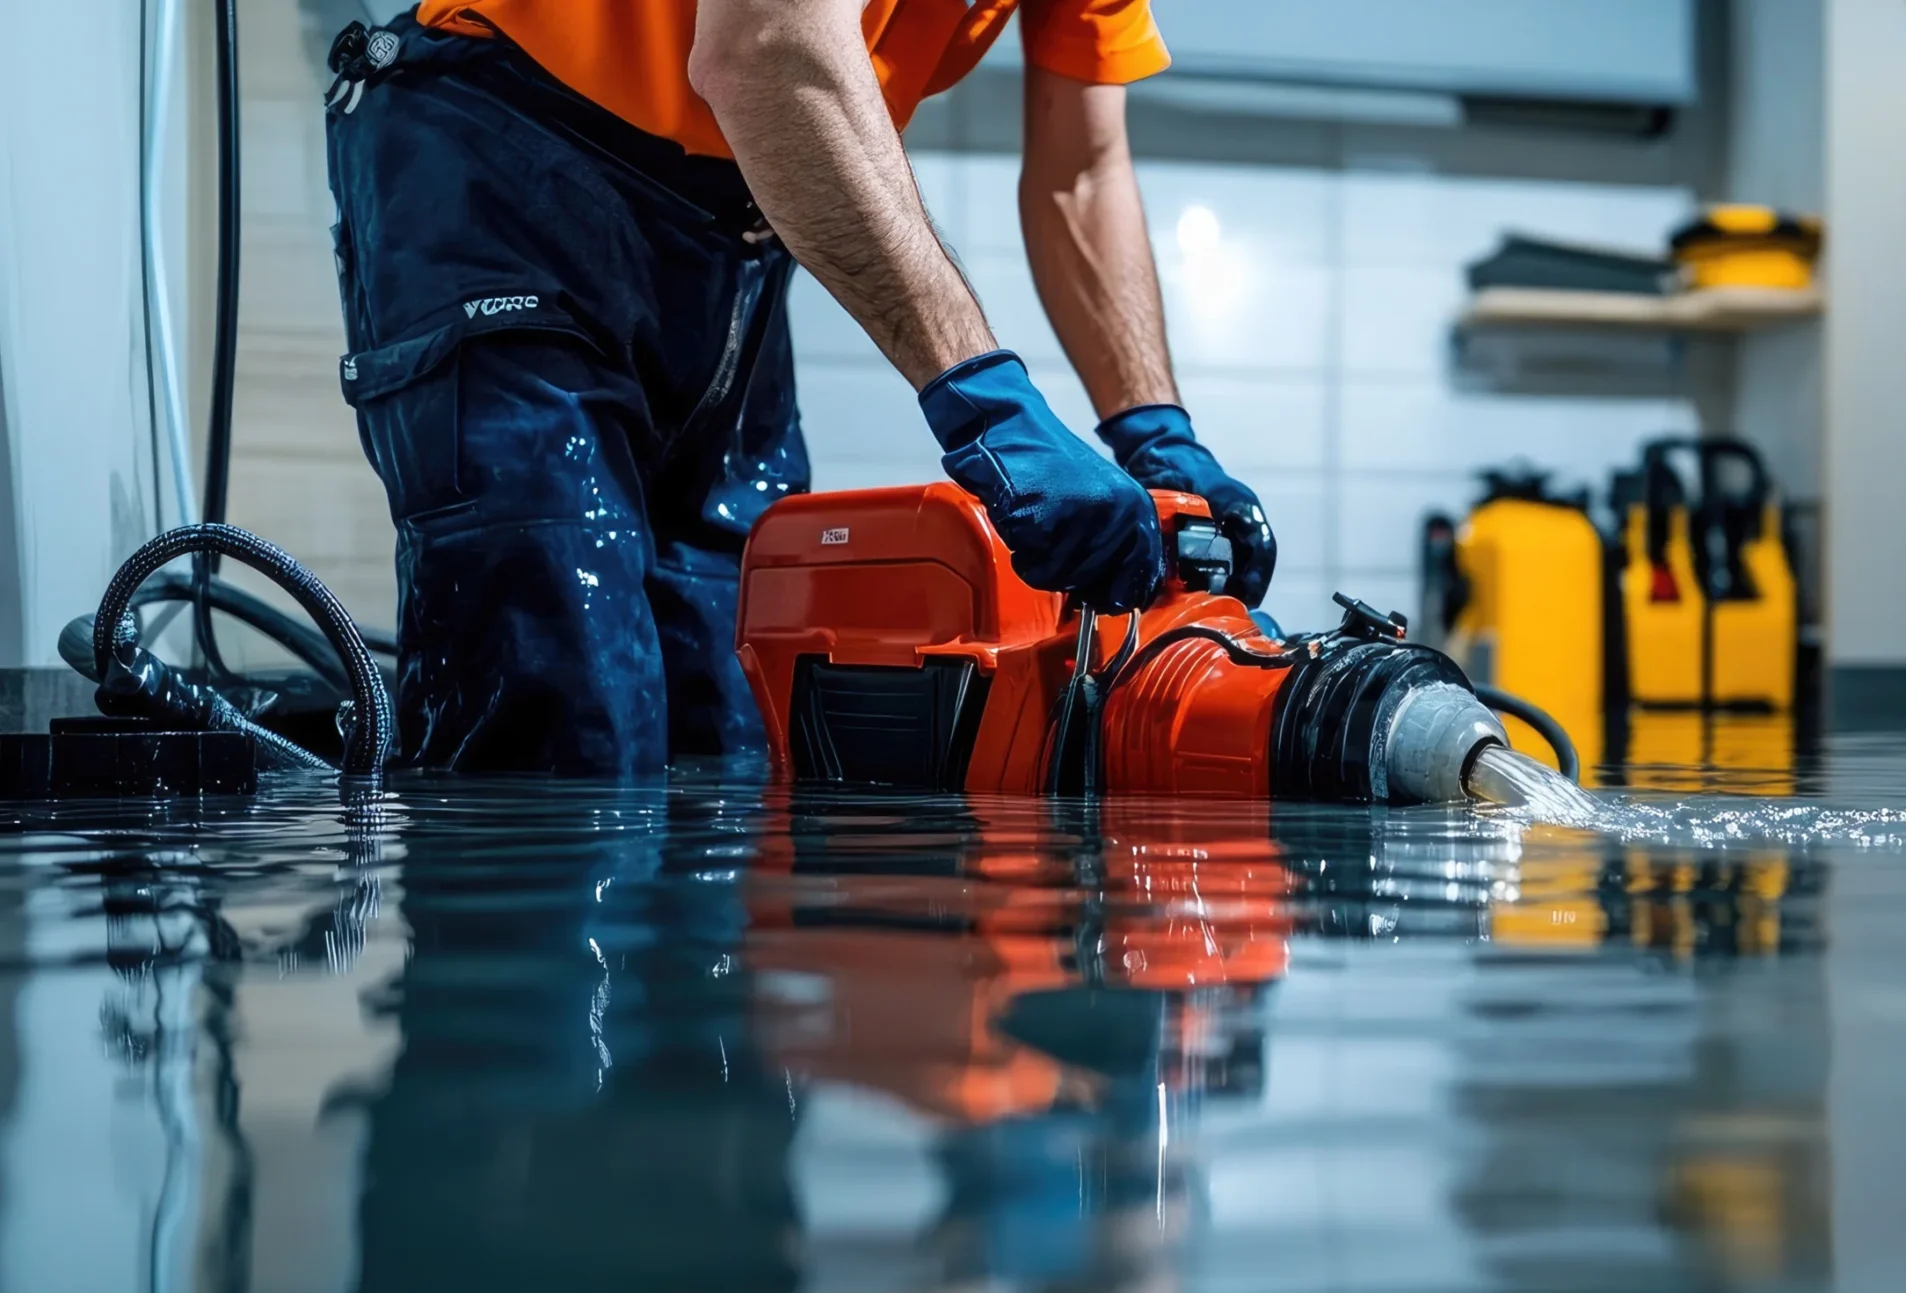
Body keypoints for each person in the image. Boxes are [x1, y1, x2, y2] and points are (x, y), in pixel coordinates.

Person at [324, 0, 1274, 776]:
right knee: (569, 719)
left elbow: (1081, 168)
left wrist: (1157, 431)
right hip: (503, 162)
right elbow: (767, 49)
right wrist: (987, 404)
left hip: (727, 237)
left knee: (750, 720)